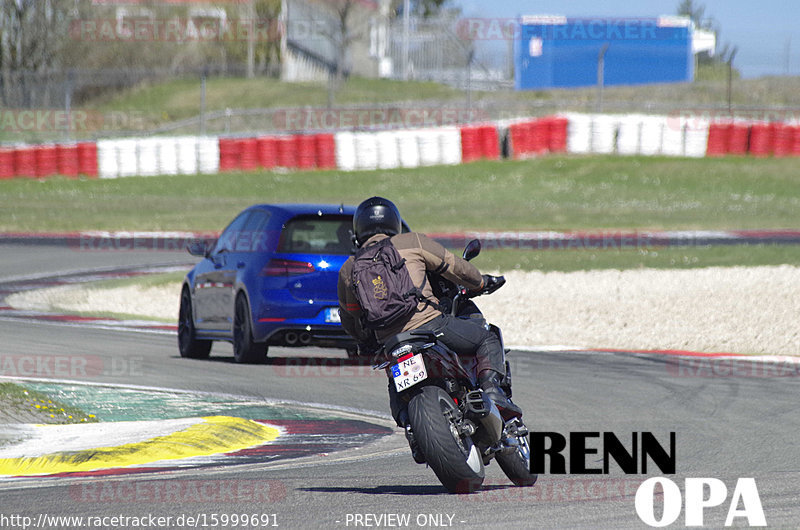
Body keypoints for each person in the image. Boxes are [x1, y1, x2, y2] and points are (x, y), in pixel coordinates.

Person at [337, 197, 521, 459]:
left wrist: (366, 340)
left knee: (394, 381)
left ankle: (411, 427)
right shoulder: (412, 242)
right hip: (432, 326)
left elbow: (351, 319)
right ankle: (491, 391)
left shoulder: (349, 269)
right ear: (394, 222)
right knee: (487, 339)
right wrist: (480, 282)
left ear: (358, 231)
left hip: (393, 343)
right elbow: (456, 267)